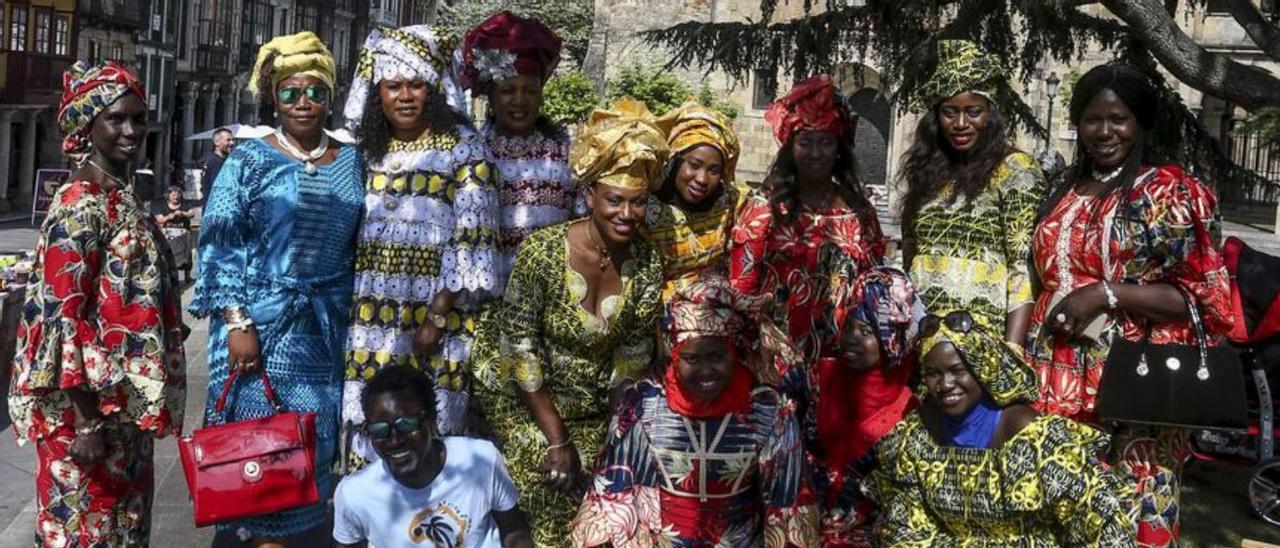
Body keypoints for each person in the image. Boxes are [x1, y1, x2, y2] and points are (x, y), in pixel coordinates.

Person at [1027, 63, 1232, 547]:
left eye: (1118, 118)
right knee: (1057, 511)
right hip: (1053, 381)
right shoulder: (1063, 188)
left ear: (1139, 121)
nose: (1104, 131)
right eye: (1092, 119)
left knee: (1130, 512)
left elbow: (1203, 297)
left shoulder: (1168, 192)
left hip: (1134, 386)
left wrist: (1104, 293)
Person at [189, 31, 363, 546]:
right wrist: (238, 321)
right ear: (273, 97)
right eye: (289, 92)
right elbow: (219, 243)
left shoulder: (353, 161)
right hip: (260, 333)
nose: (302, 102)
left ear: (331, 96)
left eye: (314, 92)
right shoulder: (248, 160)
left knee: (312, 451)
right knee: (262, 454)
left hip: (325, 331)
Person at [470, 98, 667, 547]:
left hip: (594, 404)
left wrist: (615, 440)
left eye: (638, 203)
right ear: (590, 196)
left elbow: (631, 359)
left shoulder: (647, 265)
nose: (626, 214)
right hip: (521, 394)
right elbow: (518, 350)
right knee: (548, 475)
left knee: (614, 489)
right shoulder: (543, 251)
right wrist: (558, 440)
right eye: (615, 200)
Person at [9, 60, 186, 547]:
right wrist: (86, 420)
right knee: (86, 530)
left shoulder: (121, 197)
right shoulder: (80, 206)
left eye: (138, 118)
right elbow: (60, 318)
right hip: (87, 419)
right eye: (117, 119)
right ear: (88, 127)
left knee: (124, 531)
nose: (131, 131)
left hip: (125, 411)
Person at [340, 25, 501, 452]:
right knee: (373, 426)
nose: (405, 96)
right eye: (393, 86)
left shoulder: (465, 150)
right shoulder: (369, 151)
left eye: (416, 84)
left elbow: (473, 240)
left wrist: (436, 316)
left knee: (427, 427)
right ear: (378, 94)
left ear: (433, 89)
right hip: (371, 318)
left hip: (435, 318)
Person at [570, 276, 818, 546]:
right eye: (691, 359)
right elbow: (613, 494)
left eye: (716, 357)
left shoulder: (770, 412)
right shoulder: (643, 406)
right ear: (674, 356)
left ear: (734, 353)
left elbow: (787, 505)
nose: (706, 371)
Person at [865, 311, 1133, 545]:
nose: (945, 384)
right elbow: (906, 525)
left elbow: (1097, 520)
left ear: (983, 369)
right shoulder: (917, 435)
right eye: (934, 373)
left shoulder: (1032, 436)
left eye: (958, 370)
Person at [897, 39, 1046, 347]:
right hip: (924, 337)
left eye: (974, 111)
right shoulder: (926, 171)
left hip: (983, 343)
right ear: (936, 117)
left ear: (990, 113)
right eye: (950, 112)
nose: (961, 123)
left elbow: (1023, 270)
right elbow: (911, 255)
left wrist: (1012, 351)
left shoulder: (1016, 170)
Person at [730, 74, 884, 362]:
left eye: (826, 142)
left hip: (843, 365)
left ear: (840, 148)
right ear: (790, 146)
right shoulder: (764, 209)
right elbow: (741, 293)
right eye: (805, 141)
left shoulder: (860, 212)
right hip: (775, 365)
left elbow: (875, 286)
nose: (816, 153)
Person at [780, 266, 922, 546]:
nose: (851, 338)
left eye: (867, 330)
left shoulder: (909, 409)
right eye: (849, 327)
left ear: (892, 340)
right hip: (805, 532)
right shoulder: (815, 379)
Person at [333, 365, 534, 548]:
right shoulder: (354, 493)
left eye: (406, 424)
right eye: (380, 429)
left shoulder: (481, 460)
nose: (395, 440)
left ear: (431, 420)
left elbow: (515, 532)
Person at [460, 11, 582, 292]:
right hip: (486, 304)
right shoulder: (471, 155)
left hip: (551, 300)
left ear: (541, 95)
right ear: (491, 96)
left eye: (529, 90)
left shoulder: (567, 155)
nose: (519, 100)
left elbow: (582, 226)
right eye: (508, 90)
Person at [644, 101, 745, 303]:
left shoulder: (729, 202)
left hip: (720, 310)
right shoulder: (646, 211)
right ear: (675, 162)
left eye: (714, 171)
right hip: (661, 313)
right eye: (694, 165)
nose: (702, 179)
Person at [199, 126, 234, 205]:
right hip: (216, 206)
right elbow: (219, 186)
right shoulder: (213, 161)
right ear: (217, 142)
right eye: (228, 140)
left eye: (232, 140)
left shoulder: (226, 160)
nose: (232, 143)